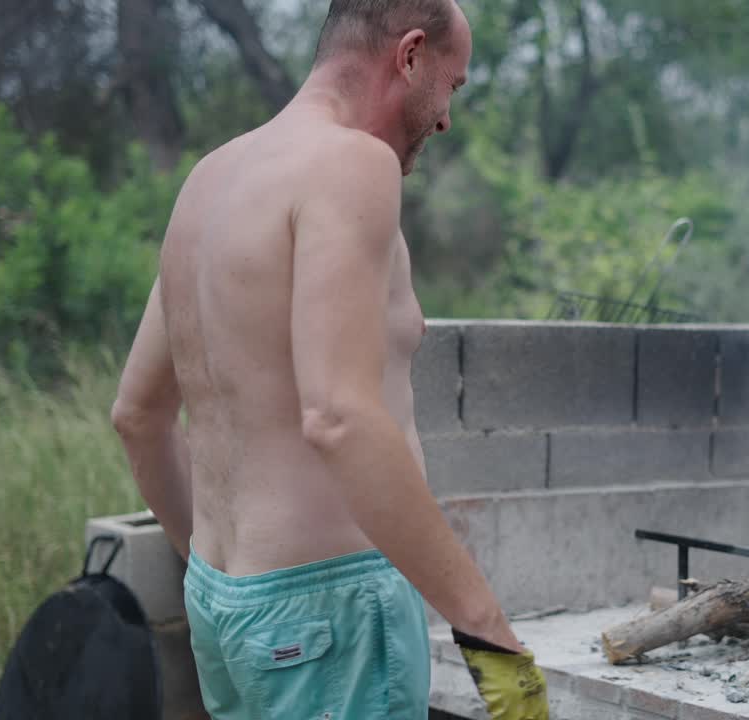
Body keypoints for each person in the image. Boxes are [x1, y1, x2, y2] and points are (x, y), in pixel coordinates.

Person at [109, 1, 547, 717]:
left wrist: (229, 586)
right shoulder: (354, 164)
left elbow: (137, 415)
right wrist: (488, 634)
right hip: (329, 615)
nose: (444, 119)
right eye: (453, 86)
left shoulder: (212, 180)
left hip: (228, 605)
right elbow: (339, 416)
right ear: (408, 55)